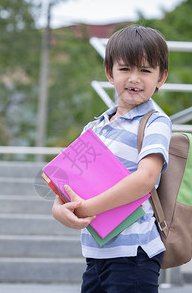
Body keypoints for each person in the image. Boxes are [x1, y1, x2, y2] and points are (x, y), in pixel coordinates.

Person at [52, 25, 171, 293]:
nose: (135, 79)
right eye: (125, 68)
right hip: (96, 253)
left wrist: (89, 207)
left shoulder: (155, 122)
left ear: (161, 77)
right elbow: (66, 182)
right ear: (110, 73)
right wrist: (60, 210)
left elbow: (146, 178)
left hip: (134, 253)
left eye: (146, 70)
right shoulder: (94, 128)